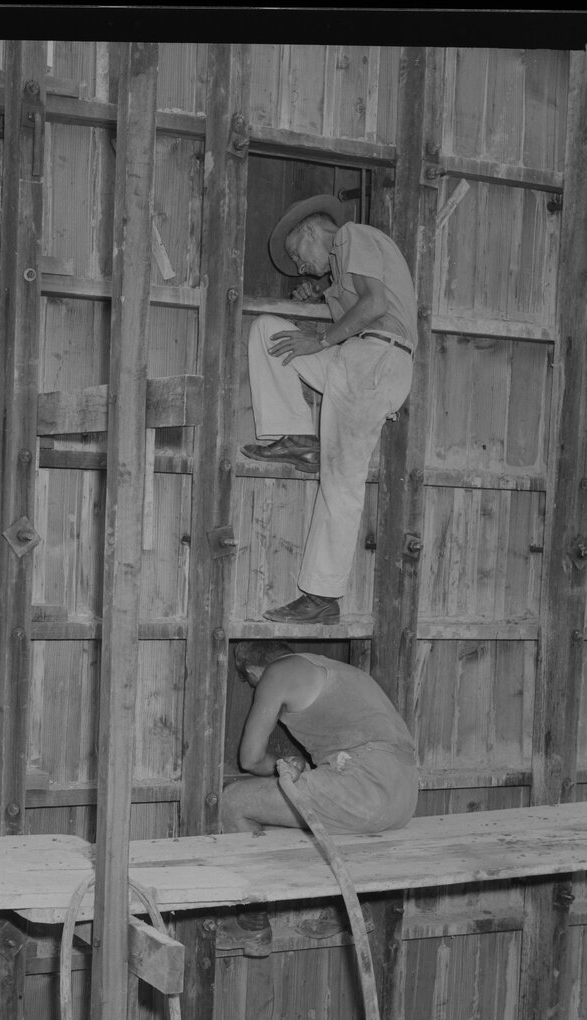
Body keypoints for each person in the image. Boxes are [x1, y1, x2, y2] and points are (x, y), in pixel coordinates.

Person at [241, 195, 417, 624]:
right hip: (355, 361)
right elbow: (355, 305)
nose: (300, 267)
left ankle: (322, 596)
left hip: (375, 360)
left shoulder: (352, 236)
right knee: (268, 332)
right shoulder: (341, 270)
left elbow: (374, 306)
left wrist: (319, 339)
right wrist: (321, 294)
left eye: (297, 255)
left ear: (310, 231)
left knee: (341, 482)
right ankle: (298, 437)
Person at [219, 641, 419, 838]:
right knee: (273, 824)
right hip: (404, 797)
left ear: (252, 671)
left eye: (253, 684)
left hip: (365, 788)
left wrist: (280, 764)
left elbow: (251, 760)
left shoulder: (277, 671)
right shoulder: (339, 670)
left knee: (233, 801)